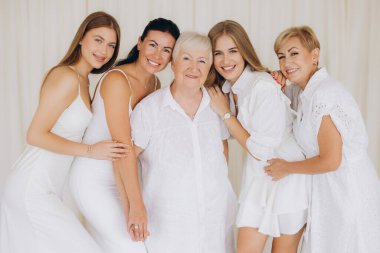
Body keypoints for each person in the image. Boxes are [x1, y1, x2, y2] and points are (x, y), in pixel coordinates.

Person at [0, 11, 125, 253]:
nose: (104, 51)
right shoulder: (66, 76)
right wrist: (91, 151)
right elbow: (35, 134)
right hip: (31, 188)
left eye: (111, 45)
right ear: (81, 39)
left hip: (48, 189)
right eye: (98, 40)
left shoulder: (85, 81)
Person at [266, 25, 380, 253]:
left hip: (347, 188)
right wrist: (272, 83)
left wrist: (286, 168)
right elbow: (275, 99)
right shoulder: (301, 92)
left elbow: (331, 160)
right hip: (326, 190)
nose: (287, 62)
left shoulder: (324, 94)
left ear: (315, 55)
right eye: (281, 56)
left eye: (294, 53)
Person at [69, 18, 179, 253]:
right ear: (139, 43)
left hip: (128, 179)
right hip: (94, 178)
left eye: (166, 49)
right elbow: (124, 147)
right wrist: (136, 205)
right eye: (152, 45)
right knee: (131, 246)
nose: (157, 55)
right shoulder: (118, 80)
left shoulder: (155, 84)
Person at [206, 20, 310, 253]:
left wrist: (224, 113)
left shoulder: (262, 87)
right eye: (218, 53)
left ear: (244, 50)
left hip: (287, 178)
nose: (225, 60)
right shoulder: (226, 90)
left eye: (233, 51)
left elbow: (262, 150)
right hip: (259, 177)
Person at [130, 31, 237, 253]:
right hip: (168, 226)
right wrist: (135, 206)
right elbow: (127, 158)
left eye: (202, 61)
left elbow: (222, 151)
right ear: (173, 63)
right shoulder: (149, 109)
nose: (194, 68)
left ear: (209, 68)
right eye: (187, 58)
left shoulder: (218, 105)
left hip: (214, 221)